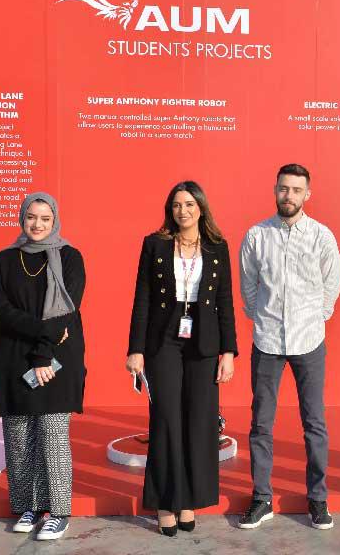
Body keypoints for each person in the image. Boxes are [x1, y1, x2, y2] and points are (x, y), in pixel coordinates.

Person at [127, 180, 237, 537]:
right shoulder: (155, 244)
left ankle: (188, 500)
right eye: (176, 205)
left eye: (189, 204)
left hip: (204, 341)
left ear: (201, 208)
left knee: (199, 421)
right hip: (164, 338)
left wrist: (229, 352)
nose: (183, 211)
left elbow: (225, 302)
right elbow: (142, 298)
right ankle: (165, 503)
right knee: (166, 420)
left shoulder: (218, 247)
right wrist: (136, 349)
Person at [238, 163, 340, 531]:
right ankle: (261, 498)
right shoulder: (256, 236)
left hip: (309, 341)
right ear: (275, 190)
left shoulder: (322, 236)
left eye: (296, 190)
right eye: (284, 188)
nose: (289, 196)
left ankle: (318, 499)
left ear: (307, 194)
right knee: (260, 423)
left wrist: (316, 317)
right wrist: (262, 318)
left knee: (314, 422)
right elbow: (248, 285)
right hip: (267, 340)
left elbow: (332, 285)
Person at [0, 192, 86, 541]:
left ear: (54, 219)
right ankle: (29, 506)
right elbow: (2, 310)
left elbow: (67, 309)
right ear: (22, 218)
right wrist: (42, 334)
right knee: (18, 437)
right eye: (31, 217)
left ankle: (58, 511)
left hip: (57, 358)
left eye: (45, 218)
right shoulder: (2, 261)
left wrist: (43, 354)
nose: (37, 224)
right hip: (13, 356)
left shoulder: (70, 257)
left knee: (52, 434)